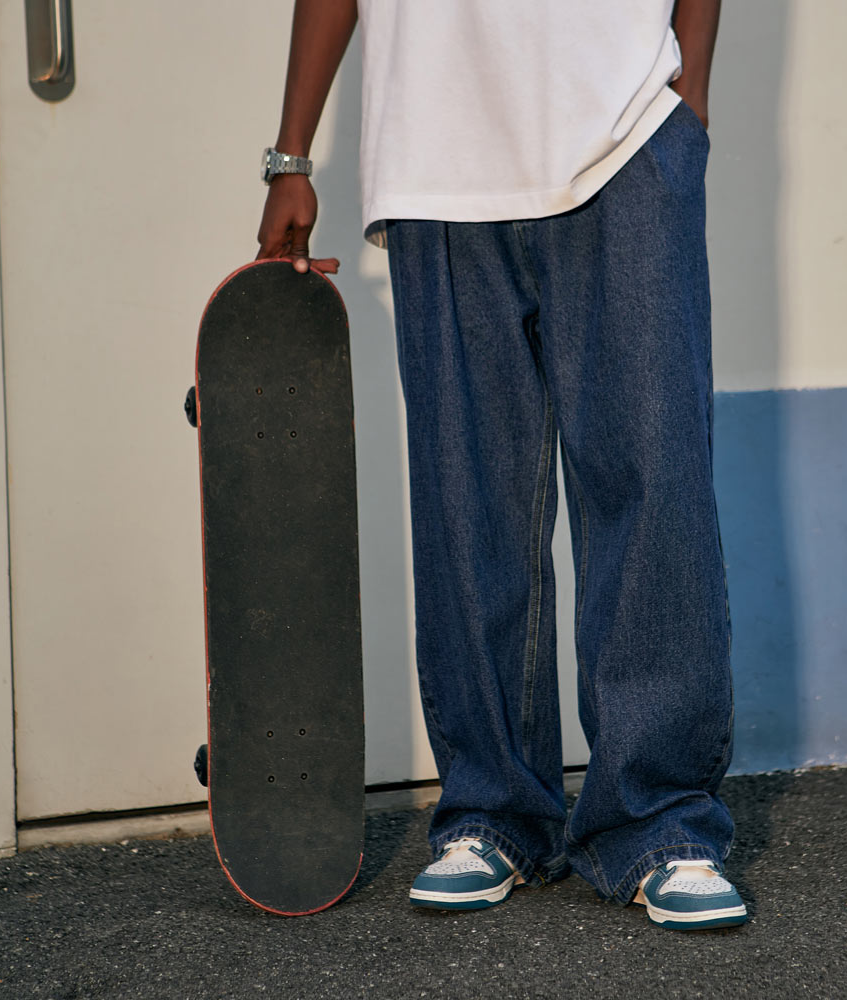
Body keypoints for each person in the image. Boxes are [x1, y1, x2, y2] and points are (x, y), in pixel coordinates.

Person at [257, 0, 747, 931]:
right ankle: (493, 812)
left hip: (626, 133)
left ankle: (662, 820)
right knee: (468, 498)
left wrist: (692, 92)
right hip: (434, 151)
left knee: (651, 485)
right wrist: (292, 156)